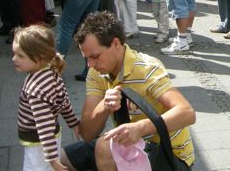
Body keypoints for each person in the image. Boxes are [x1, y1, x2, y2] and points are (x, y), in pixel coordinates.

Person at [60, 12, 196, 171]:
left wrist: (140, 128)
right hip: (131, 145)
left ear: (116, 43)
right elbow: (87, 133)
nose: (90, 64)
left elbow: (187, 113)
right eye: (87, 58)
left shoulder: (147, 68)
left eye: (95, 56)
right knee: (58, 160)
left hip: (170, 155)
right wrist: (104, 106)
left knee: (105, 149)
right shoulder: (95, 72)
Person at [12, 25, 80, 171]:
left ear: (39, 58)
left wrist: (53, 160)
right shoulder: (52, 72)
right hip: (51, 138)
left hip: (39, 144)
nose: (14, 59)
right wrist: (73, 123)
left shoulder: (36, 90)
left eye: (20, 55)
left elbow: (44, 127)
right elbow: (63, 102)